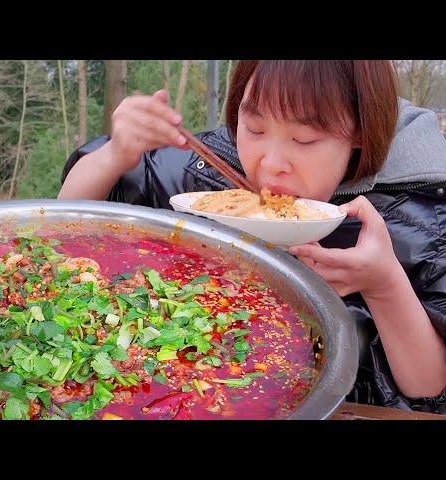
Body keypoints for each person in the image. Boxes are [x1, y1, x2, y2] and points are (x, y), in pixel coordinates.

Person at [59, 60, 446, 413]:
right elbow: (65, 226)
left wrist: (384, 286)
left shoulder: (421, 217)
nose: (271, 164)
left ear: (360, 132)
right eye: (256, 128)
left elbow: (427, 384)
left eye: (305, 140)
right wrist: (116, 154)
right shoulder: (208, 172)